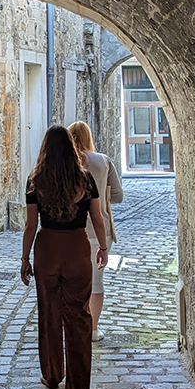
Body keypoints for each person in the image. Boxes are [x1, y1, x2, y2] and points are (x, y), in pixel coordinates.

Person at [20, 125, 107, 389]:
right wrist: (103, 247)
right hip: (77, 248)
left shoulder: (35, 181)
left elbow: (30, 225)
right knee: (79, 316)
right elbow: (97, 218)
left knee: (49, 312)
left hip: (47, 248)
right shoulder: (85, 179)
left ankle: (52, 374)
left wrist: (24, 258)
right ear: (71, 148)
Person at [67, 121, 123, 341]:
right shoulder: (103, 161)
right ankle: (93, 329)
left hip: (71, 229)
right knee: (96, 282)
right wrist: (100, 199)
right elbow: (118, 195)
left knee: (72, 281)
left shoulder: (66, 161)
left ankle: (74, 326)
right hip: (99, 229)